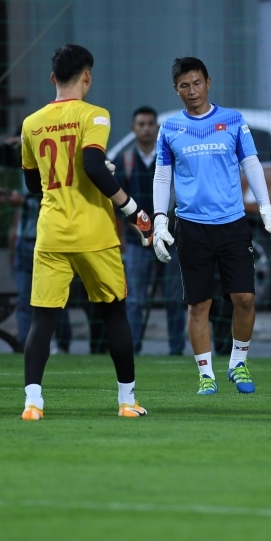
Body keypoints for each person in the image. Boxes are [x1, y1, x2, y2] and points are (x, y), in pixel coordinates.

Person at [19, 44, 153, 420]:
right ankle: (127, 401)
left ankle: (33, 403)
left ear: (52, 79)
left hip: (51, 233)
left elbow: (33, 186)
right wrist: (135, 212)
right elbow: (93, 165)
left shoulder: (31, 123)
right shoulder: (95, 115)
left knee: (43, 319)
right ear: (87, 76)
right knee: (113, 314)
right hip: (94, 232)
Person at [150, 56, 271, 395]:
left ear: (208, 82)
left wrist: (267, 210)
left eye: (197, 83)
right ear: (176, 89)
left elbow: (252, 165)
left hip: (232, 224)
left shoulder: (233, 120)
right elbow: (162, 175)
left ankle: (238, 363)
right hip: (192, 227)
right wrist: (160, 219)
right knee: (199, 305)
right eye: (185, 85)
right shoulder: (169, 128)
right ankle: (205, 374)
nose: (192, 90)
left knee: (244, 298)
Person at [114, 106, 187, 355]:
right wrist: (137, 231)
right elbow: (117, 203)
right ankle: (133, 351)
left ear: (156, 128)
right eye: (140, 124)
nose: (145, 128)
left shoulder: (169, 160)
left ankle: (176, 350)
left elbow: (179, 199)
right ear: (134, 128)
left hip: (170, 240)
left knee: (175, 299)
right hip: (137, 243)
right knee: (135, 300)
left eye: (149, 124)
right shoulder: (124, 162)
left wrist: (165, 228)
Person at [0, 133, 73, 352]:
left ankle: (63, 346)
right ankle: (29, 347)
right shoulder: (21, 171)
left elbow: (53, 197)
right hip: (25, 243)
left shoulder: (52, 165)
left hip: (49, 243)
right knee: (25, 299)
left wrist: (22, 199)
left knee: (55, 299)